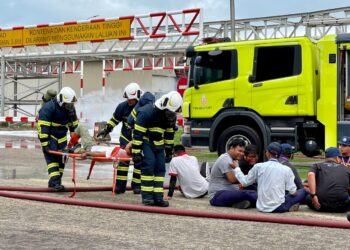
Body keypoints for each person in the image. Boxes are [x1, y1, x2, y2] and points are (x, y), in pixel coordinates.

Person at [131, 91, 182, 207]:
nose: (171, 115)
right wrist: (136, 153)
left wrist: (169, 151)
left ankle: (158, 197)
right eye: (169, 112)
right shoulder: (146, 112)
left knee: (160, 168)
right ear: (164, 106)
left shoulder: (170, 116)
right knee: (149, 165)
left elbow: (169, 134)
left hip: (158, 143)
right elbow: (138, 134)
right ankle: (147, 197)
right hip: (146, 142)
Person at [231, 142, 306, 213]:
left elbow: (244, 182)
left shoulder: (258, 166)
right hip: (279, 207)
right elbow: (293, 192)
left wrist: (237, 168)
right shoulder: (287, 169)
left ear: (268, 153)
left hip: (261, 207)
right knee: (303, 191)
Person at [97, 82, 143, 194]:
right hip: (125, 138)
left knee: (139, 161)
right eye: (127, 99)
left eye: (131, 99)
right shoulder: (122, 107)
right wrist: (106, 129)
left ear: (137, 97)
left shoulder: (143, 108)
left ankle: (136, 186)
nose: (129, 101)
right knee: (123, 161)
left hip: (138, 139)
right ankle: (120, 186)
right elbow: (114, 120)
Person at [37, 87, 79, 191]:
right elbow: (43, 127)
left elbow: (74, 127)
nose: (70, 106)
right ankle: (55, 183)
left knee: (61, 162)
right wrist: (44, 144)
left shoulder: (70, 108)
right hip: (49, 136)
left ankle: (54, 184)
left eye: (71, 104)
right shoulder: (49, 107)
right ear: (61, 100)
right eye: (68, 104)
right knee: (52, 160)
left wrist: (75, 142)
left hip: (62, 137)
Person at [208, 138, 257, 209]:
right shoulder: (225, 159)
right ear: (232, 148)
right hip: (217, 195)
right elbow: (232, 180)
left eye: (243, 152)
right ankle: (262, 200)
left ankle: (237, 203)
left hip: (230, 192)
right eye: (239, 151)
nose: (242, 154)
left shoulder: (234, 160)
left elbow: (239, 180)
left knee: (252, 191)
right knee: (247, 194)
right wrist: (250, 179)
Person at [306, 147, 350, 212]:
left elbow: (310, 175)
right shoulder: (346, 168)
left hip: (320, 205)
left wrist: (313, 195)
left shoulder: (317, 165)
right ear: (337, 158)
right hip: (342, 206)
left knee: (307, 197)